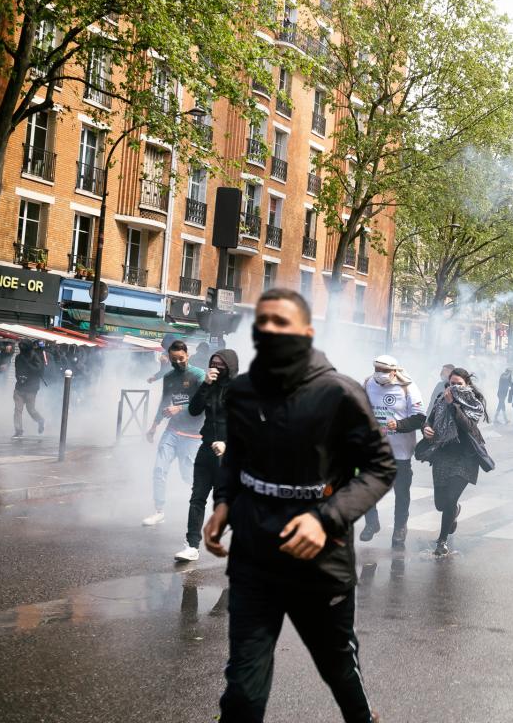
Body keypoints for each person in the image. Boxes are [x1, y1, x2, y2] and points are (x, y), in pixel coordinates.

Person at [203, 288, 394, 723]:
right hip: (253, 559)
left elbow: (381, 468)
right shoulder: (243, 391)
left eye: (282, 322)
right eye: (263, 322)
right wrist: (223, 503)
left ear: (307, 332)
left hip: (320, 563)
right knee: (242, 694)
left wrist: (326, 521)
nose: (270, 330)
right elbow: (236, 455)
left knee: (340, 673)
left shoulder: (340, 394)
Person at [175, 348, 240, 562]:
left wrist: (228, 444)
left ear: (230, 367)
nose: (217, 368)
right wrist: (205, 385)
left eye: (221, 365)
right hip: (206, 449)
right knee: (197, 498)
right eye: (214, 364)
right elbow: (194, 410)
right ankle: (192, 545)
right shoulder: (209, 386)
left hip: (228, 454)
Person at [418, 367, 490, 556]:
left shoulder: (474, 403)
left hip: (465, 458)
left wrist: (453, 405)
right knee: (441, 504)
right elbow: (429, 420)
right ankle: (454, 511)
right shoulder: (441, 400)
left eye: (459, 384)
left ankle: (442, 542)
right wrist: (425, 429)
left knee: (450, 498)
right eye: (452, 384)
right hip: (442, 455)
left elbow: (466, 425)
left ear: (467, 385)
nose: (455, 387)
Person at [358, 354, 425, 549]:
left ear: (395, 371)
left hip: (400, 453)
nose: (380, 374)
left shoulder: (408, 387)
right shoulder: (368, 383)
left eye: (385, 371)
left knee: (401, 493)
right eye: (377, 369)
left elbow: (420, 418)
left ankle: (399, 528)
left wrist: (399, 425)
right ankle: (372, 523)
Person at [142, 341, 206, 526]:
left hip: (193, 435)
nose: (178, 362)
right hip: (172, 431)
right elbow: (164, 403)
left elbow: (204, 403)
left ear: (188, 355)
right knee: (159, 469)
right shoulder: (169, 377)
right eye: (173, 359)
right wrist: (154, 426)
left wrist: (181, 408)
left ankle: (205, 505)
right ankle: (159, 511)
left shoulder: (198, 375)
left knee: (188, 476)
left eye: (181, 358)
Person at [12, 339, 47, 438]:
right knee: (17, 410)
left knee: (31, 409)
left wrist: (27, 364)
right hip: (20, 387)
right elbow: (17, 369)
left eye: (24, 346)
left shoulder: (34, 356)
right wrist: (20, 378)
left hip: (31, 388)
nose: (22, 348)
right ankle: (18, 430)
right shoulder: (18, 357)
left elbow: (39, 371)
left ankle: (40, 421)